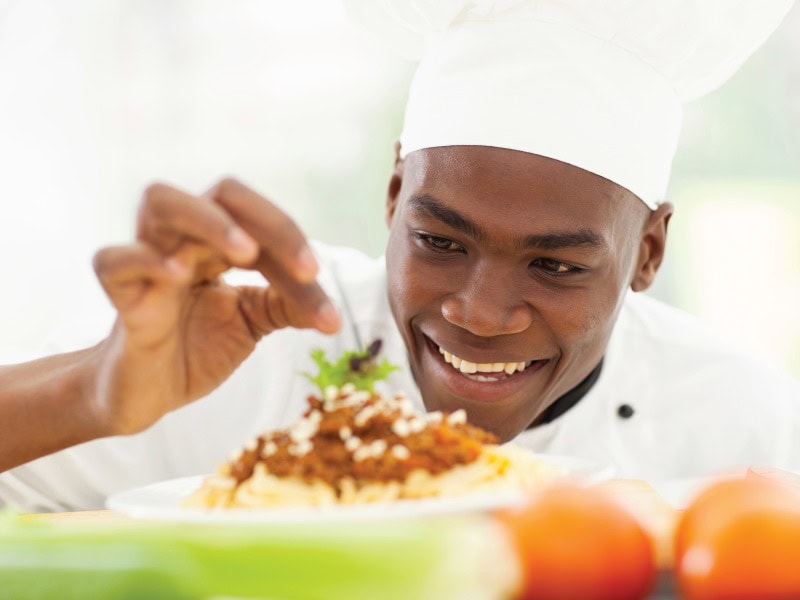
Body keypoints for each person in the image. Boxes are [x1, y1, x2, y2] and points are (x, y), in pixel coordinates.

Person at [1, 0, 798, 512]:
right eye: (440, 242)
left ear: (649, 251)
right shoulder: (249, 351)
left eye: (555, 266)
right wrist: (92, 394)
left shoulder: (742, 427)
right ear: (391, 197)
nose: (479, 314)